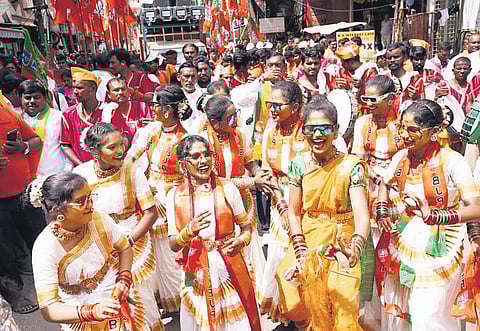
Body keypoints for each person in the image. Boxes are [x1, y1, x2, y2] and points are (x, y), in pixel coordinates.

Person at [376, 100, 480, 331]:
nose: (404, 135)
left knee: (429, 315)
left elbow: (475, 207)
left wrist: (436, 216)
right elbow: (385, 182)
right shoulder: (401, 157)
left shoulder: (452, 160)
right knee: (404, 312)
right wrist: (382, 207)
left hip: (442, 245)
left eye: (413, 130)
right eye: (402, 127)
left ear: (433, 132)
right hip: (404, 240)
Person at [276, 95, 370, 329]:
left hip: (341, 240)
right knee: (301, 300)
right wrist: (300, 252)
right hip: (308, 236)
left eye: (325, 128)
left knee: (341, 307)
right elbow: (294, 213)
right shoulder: (298, 164)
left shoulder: (351, 166)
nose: (317, 136)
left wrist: (354, 250)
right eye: (311, 129)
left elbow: (362, 217)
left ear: (336, 130)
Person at [166, 135, 261, 330]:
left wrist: (241, 242)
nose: (203, 161)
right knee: (198, 320)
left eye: (207, 154)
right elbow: (173, 243)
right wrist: (188, 231)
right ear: (184, 163)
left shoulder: (227, 188)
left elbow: (246, 228)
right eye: (196, 156)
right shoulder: (174, 196)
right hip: (194, 269)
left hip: (228, 264)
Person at [73, 123, 163, 330]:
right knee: (106, 299)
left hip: (133, 239)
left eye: (121, 144)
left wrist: (127, 242)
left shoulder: (132, 171)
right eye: (112, 147)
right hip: (97, 244)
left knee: (138, 295)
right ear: (95, 151)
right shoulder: (81, 175)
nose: (121, 150)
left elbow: (150, 213)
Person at [30, 172, 138, 330]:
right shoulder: (45, 247)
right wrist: (92, 311)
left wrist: (123, 281)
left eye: (90, 197)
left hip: (112, 294)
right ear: (57, 211)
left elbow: (125, 248)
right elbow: (49, 309)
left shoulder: (99, 220)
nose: (90, 205)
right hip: (74, 310)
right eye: (81, 201)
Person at [126, 85, 191, 315]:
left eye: (155, 104)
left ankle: (177, 297)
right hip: (149, 191)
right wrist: (125, 172)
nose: (151, 108)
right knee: (150, 248)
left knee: (168, 251)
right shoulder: (153, 130)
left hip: (171, 196)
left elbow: (187, 174)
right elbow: (134, 154)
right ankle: (156, 296)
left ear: (166, 110)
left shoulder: (185, 138)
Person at [200, 95, 270, 286]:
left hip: (243, 200)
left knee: (248, 243)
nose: (236, 120)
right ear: (215, 122)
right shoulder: (203, 142)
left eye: (236, 114)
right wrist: (252, 182)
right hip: (215, 202)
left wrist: (258, 172)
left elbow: (249, 160)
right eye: (230, 117)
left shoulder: (238, 134)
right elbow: (214, 179)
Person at [257, 81, 310, 325]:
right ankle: (287, 313)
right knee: (280, 257)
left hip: (307, 206)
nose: (272, 110)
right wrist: (281, 204)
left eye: (278, 105)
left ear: (296, 107)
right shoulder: (270, 133)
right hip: (280, 205)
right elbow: (268, 173)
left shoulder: (310, 131)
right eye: (270, 104)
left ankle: (309, 310)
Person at [0, 104, 43, 314]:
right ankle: (13, 294)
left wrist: (23, 147)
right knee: (3, 250)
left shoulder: (7, 112)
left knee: (41, 237)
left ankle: (54, 280)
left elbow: (36, 141)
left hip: (25, 192)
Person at [20, 80, 72, 176]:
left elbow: (69, 147)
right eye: (27, 98)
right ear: (21, 98)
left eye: (36, 97)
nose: (32, 101)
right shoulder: (18, 120)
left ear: (45, 97)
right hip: (26, 178)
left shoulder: (59, 118)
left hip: (55, 176)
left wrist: (67, 173)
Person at [60, 67, 102, 166]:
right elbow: (65, 145)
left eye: (79, 88)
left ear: (92, 88)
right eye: (74, 87)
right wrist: (81, 166)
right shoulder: (68, 114)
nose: (74, 91)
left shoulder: (109, 110)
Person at [102, 77, 153, 143]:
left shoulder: (142, 107)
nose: (120, 92)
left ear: (128, 91)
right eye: (116, 90)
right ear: (109, 94)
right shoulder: (106, 112)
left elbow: (152, 131)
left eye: (123, 89)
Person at [386, 42, 424, 113]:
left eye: (396, 57)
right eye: (389, 58)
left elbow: (423, 104)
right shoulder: (383, 78)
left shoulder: (414, 78)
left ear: (405, 57)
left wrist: (416, 97)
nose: (392, 60)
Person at [178, 61, 205, 133]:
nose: (190, 80)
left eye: (193, 76)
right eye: (186, 76)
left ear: (197, 77)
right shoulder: (174, 97)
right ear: (178, 77)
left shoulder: (205, 95)